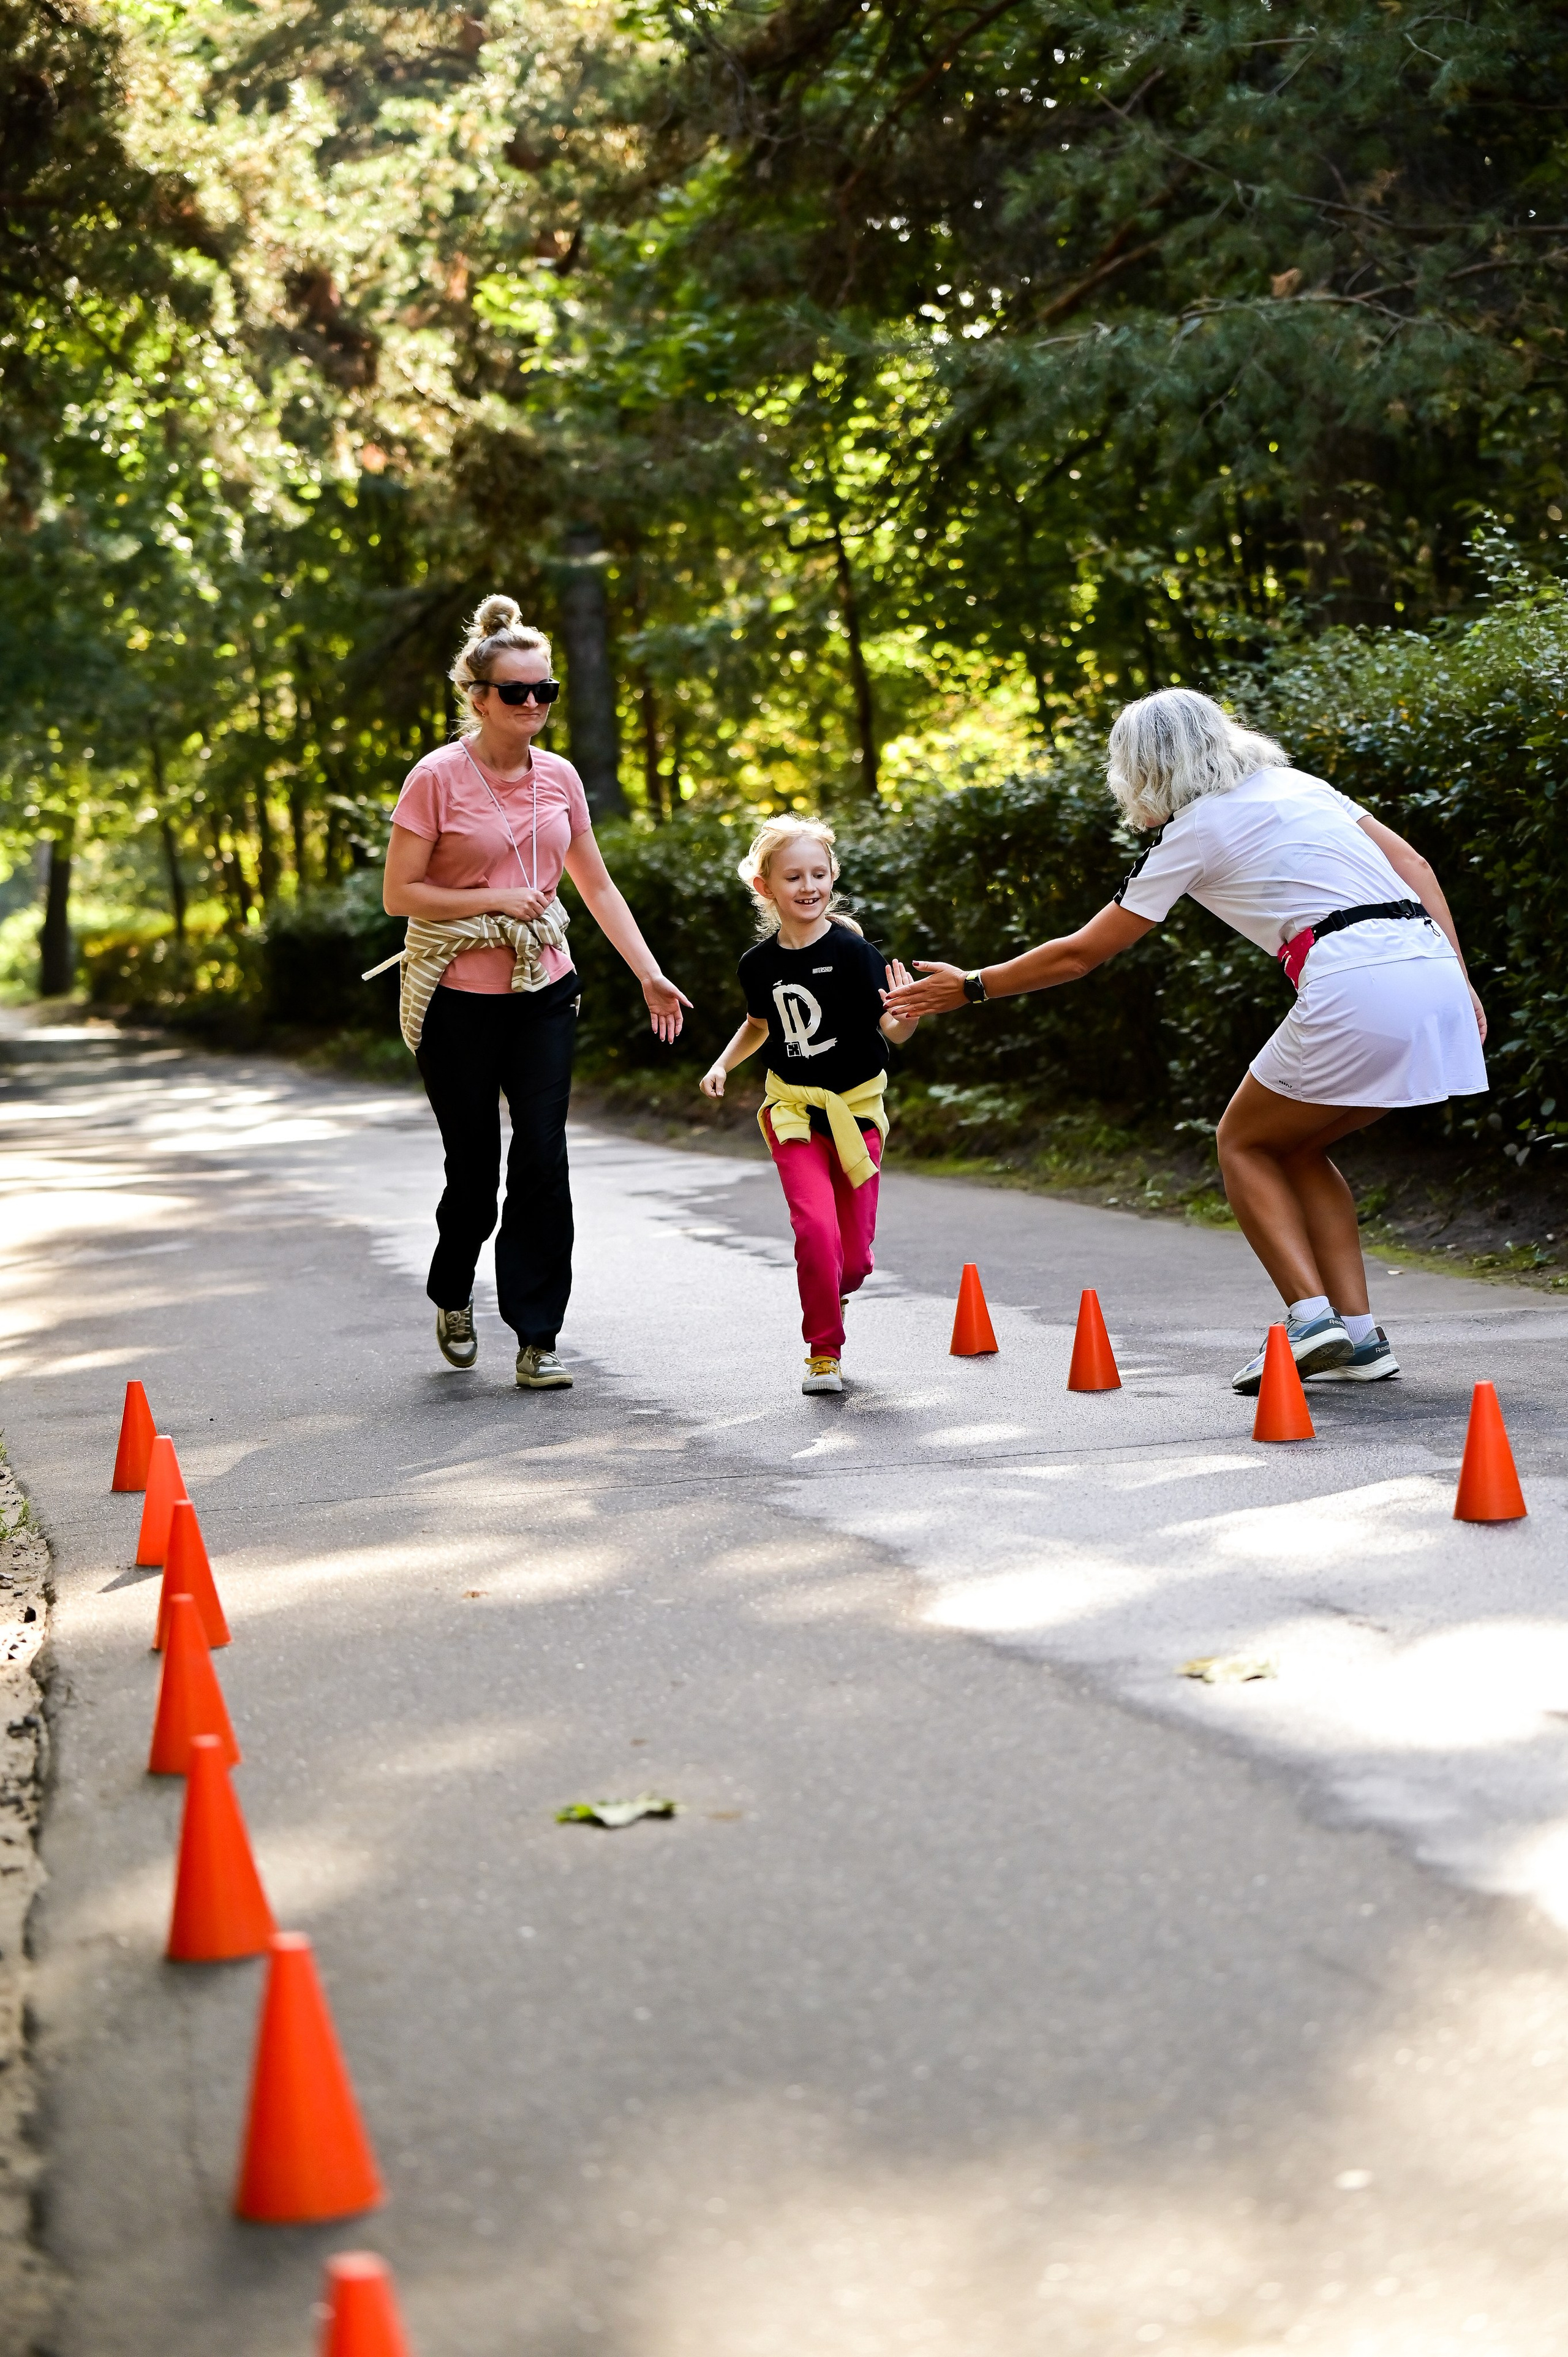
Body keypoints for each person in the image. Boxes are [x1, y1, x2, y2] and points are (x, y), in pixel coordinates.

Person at [883, 688, 1488, 1393]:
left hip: (1356, 979)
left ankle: (1310, 1317)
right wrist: (1459, 975)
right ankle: (1358, 1337)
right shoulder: (1300, 784)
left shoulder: (1193, 831)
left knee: (1242, 1142)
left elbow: (1082, 953)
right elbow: (1415, 866)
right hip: (1431, 973)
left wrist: (974, 985)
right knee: (1296, 1144)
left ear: (1140, 770)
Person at [382, 592, 690, 1389]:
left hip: (544, 989)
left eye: (544, 691)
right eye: (515, 692)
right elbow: (400, 896)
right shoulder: (436, 780)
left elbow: (596, 886)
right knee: (475, 1172)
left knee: (544, 1160)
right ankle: (453, 1290)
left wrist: (648, 971)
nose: (532, 705)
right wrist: (490, 900)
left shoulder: (559, 778)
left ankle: (537, 1336)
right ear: (478, 697)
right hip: (457, 996)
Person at [699, 818, 921, 1394]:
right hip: (793, 1113)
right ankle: (824, 1352)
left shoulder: (854, 952)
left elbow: (892, 1030)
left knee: (856, 1262)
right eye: (793, 876)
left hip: (856, 1113)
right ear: (765, 887)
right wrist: (723, 1064)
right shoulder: (757, 965)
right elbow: (757, 1025)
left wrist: (910, 1015)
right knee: (815, 1230)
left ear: (832, 878)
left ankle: (837, 1290)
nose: (808, 886)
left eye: (818, 874)